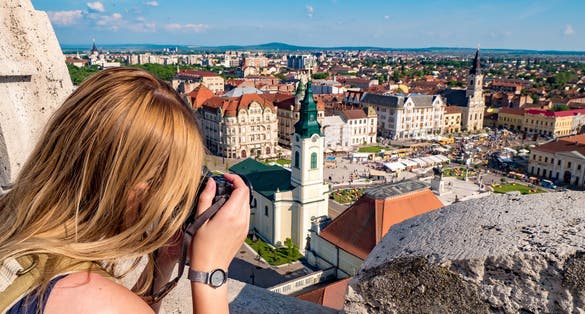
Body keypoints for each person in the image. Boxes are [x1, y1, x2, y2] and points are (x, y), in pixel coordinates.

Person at [0, 68, 250, 313]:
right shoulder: (90, 298)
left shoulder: (13, 217)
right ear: (133, 184)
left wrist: (163, 260)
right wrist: (210, 271)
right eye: (173, 182)